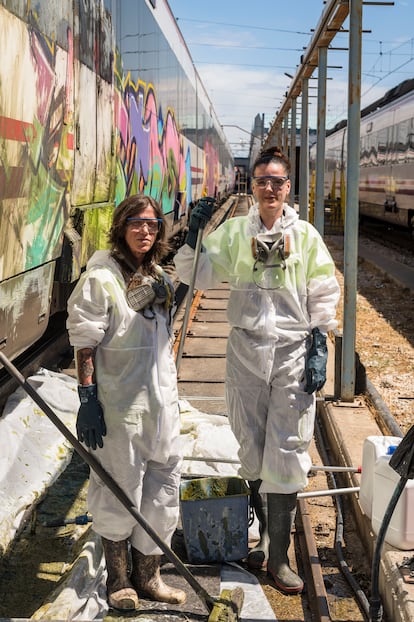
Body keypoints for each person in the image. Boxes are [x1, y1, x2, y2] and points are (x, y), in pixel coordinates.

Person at [174, 147, 340, 594]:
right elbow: (197, 276)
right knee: (250, 443)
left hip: (291, 350)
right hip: (245, 351)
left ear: (288, 188)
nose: (270, 188)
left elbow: (324, 286)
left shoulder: (304, 236)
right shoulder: (233, 234)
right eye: (263, 180)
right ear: (254, 186)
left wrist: (320, 339)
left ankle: (278, 555)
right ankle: (264, 537)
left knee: (286, 448)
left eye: (278, 182)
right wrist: (194, 235)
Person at [67, 194, 186, 612]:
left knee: (162, 493)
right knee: (117, 493)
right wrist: (87, 399)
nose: (145, 231)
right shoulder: (100, 279)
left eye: (153, 225)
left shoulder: (153, 274)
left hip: (160, 409)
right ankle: (119, 581)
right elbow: (84, 343)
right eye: (136, 223)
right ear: (121, 227)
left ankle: (149, 577)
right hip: (119, 411)